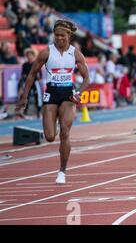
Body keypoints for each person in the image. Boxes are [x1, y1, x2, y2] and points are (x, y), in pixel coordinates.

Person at [15, 20, 90, 184]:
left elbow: (86, 78)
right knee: (49, 136)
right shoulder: (46, 52)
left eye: (62, 36)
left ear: (69, 36)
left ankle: (62, 171)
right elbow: (32, 74)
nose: (59, 39)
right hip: (51, 94)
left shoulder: (75, 53)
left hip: (68, 95)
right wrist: (24, 96)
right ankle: (54, 122)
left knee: (65, 132)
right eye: (57, 36)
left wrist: (79, 93)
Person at [18, 48, 43, 118]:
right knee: (26, 96)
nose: (29, 57)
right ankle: (25, 112)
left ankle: (38, 112)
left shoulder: (36, 64)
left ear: (33, 56)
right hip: (28, 83)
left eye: (31, 55)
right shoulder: (25, 65)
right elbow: (23, 74)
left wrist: (39, 78)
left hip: (35, 82)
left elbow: (40, 74)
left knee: (37, 96)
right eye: (28, 55)